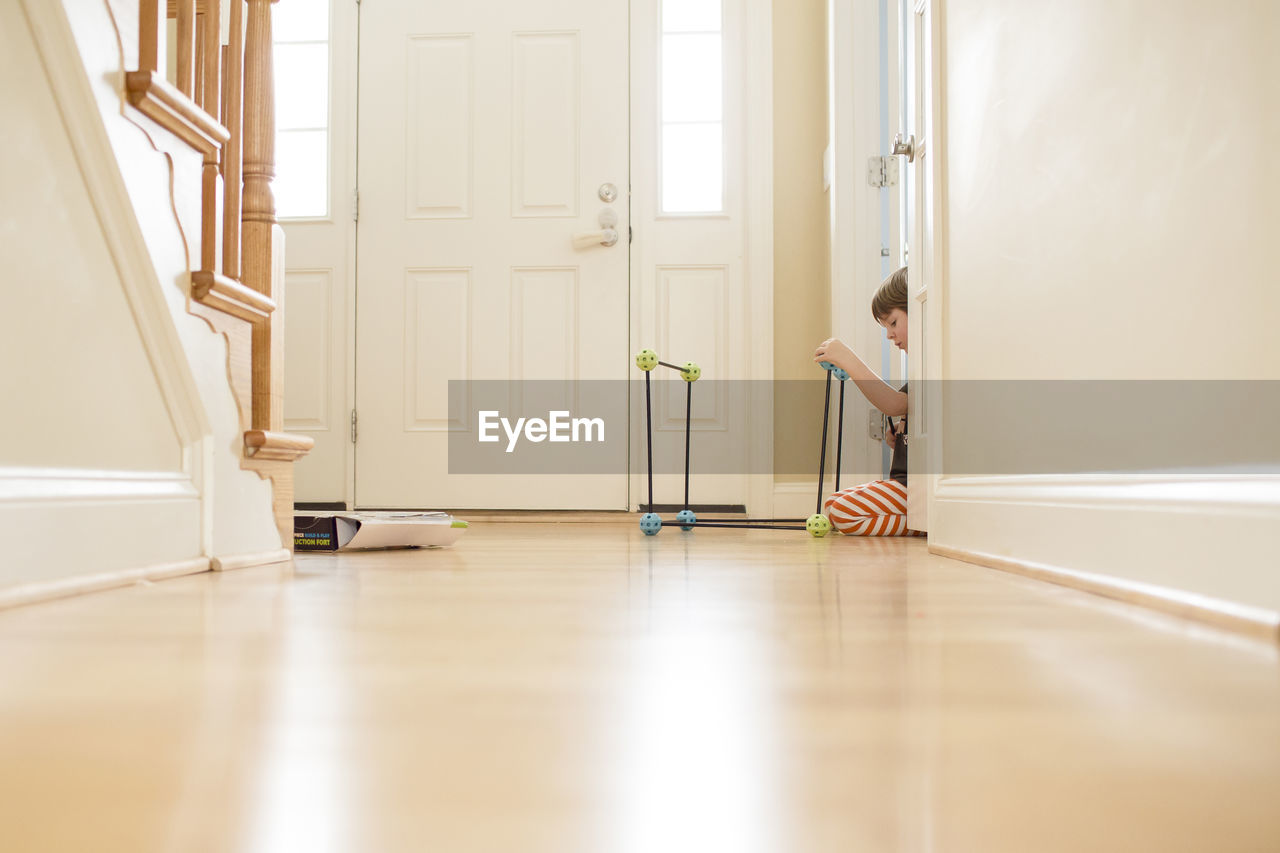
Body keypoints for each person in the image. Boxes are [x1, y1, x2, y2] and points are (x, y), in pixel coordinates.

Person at [812, 266, 921, 536]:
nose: (890, 335)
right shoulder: (918, 377)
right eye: (886, 327)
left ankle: (920, 524)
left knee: (843, 511)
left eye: (893, 323)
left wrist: (849, 360)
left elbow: (893, 404)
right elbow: (902, 410)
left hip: (913, 487)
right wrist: (898, 435)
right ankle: (916, 520)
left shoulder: (932, 373)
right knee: (833, 503)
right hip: (903, 484)